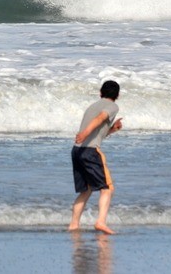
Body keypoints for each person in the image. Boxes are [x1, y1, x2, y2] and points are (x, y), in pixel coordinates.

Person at [68, 80, 123, 234]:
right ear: (117, 95)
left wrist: (113, 129)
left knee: (86, 190)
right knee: (107, 188)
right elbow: (99, 119)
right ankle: (101, 222)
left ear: (100, 92)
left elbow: (98, 132)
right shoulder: (113, 106)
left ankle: (73, 225)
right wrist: (84, 133)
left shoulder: (92, 106)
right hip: (91, 151)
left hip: (77, 151)